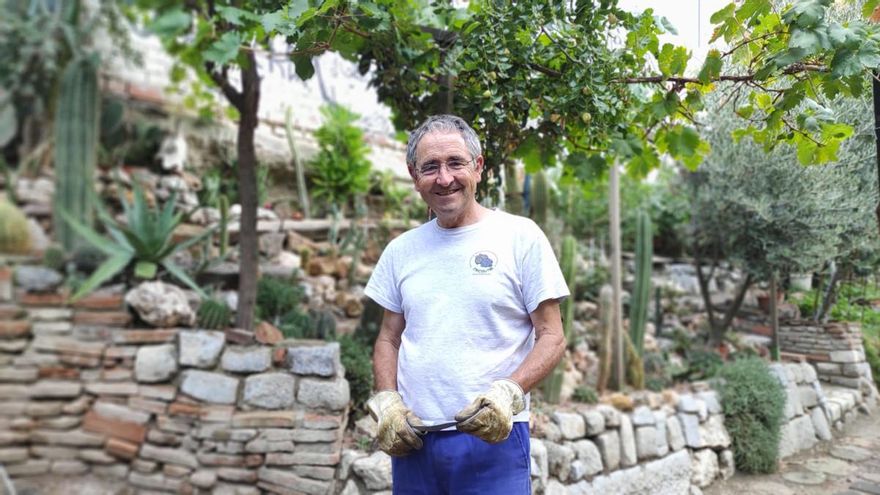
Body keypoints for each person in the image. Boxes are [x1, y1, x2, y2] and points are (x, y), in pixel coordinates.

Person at [364, 114, 569, 494]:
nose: (444, 178)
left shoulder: (520, 237)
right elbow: (388, 339)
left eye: (455, 163)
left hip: (492, 438)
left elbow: (552, 336)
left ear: (478, 166)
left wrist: (509, 392)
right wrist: (388, 402)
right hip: (414, 441)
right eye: (430, 167)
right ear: (414, 176)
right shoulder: (401, 250)